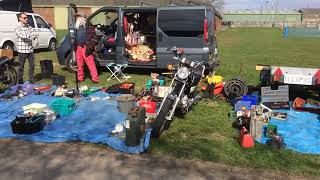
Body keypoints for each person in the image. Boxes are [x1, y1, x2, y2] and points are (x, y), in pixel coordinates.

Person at [75, 12, 99, 83]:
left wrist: (90, 47)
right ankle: (80, 78)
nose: (77, 18)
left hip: (86, 47)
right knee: (79, 64)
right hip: (79, 47)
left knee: (90, 63)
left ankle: (95, 79)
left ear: (83, 18)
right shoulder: (77, 27)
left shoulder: (89, 27)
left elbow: (94, 38)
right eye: (77, 17)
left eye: (79, 17)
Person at [15, 12, 38, 84]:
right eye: (24, 18)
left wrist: (31, 35)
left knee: (32, 65)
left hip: (30, 49)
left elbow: (34, 34)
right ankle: (20, 80)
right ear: (20, 18)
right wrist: (31, 35)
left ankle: (31, 79)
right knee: (21, 66)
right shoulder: (17, 26)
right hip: (22, 50)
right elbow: (22, 36)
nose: (26, 19)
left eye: (27, 17)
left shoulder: (29, 26)